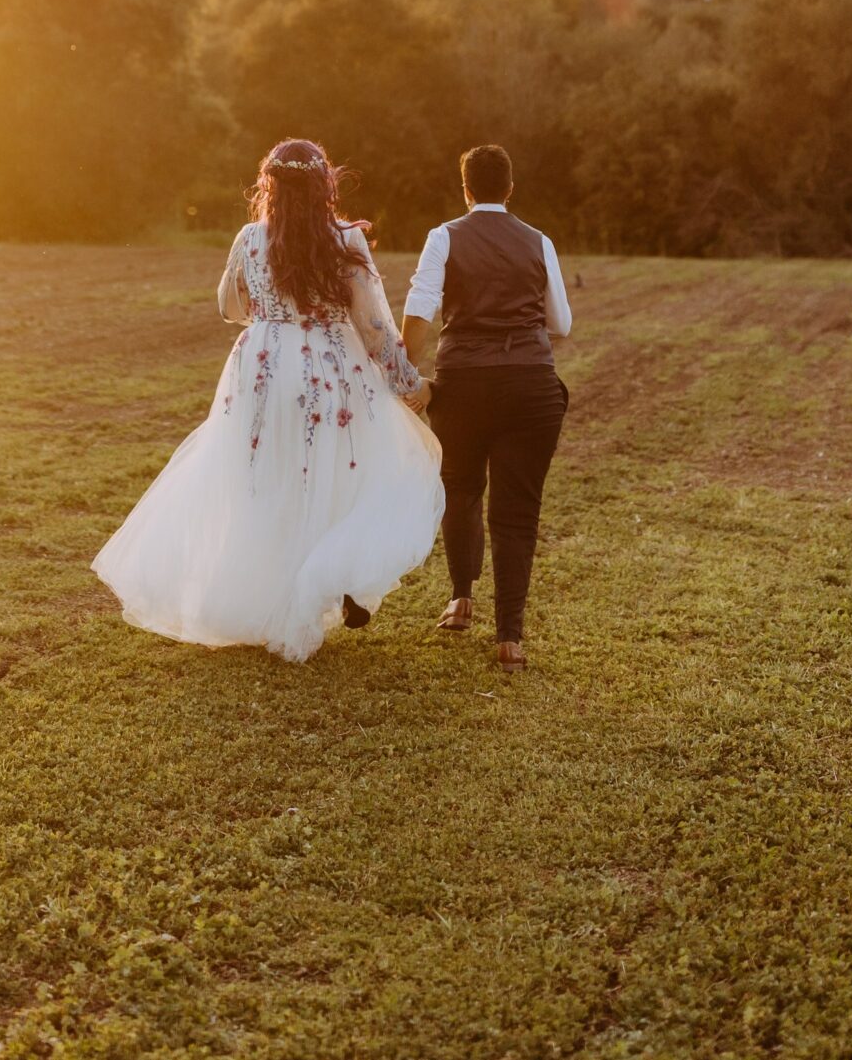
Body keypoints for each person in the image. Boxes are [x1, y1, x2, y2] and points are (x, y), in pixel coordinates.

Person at [93, 138, 444, 662]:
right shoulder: (344, 240)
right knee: (342, 474)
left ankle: (289, 593)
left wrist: (272, 316)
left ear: (270, 186)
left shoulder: (250, 239)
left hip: (263, 369)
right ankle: (336, 580)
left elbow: (229, 305)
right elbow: (372, 325)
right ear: (325, 185)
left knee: (269, 479)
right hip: (330, 371)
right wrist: (407, 382)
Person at [400, 143, 571, 674]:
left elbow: (421, 303)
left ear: (466, 189)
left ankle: (460, 598)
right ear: (510, 189)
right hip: (531, 387)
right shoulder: (538, 241)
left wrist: (410, 375)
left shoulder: (444, 236)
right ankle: (510, 639)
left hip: (465, 384)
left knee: (462, 487)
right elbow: (560, 324)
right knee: (517, 513)